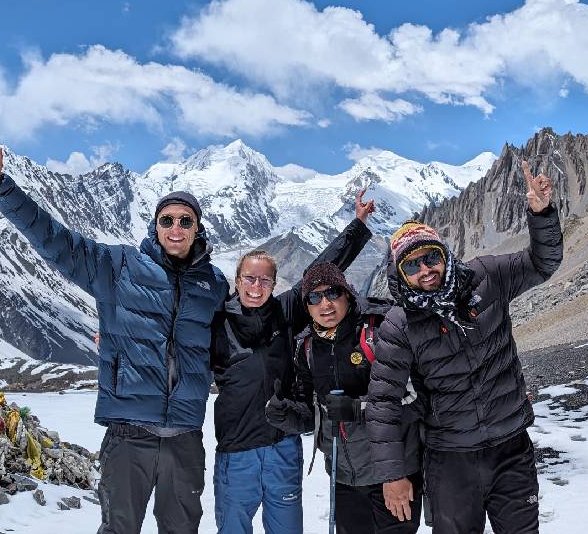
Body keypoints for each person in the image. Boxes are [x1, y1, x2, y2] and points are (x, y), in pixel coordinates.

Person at [0, 131, 228, 534]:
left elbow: (237, 338)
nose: (176, 228)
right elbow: (55, 241)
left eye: (185, 221)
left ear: (197, 228)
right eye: (167, 220)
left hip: (185, 437)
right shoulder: (117, 267)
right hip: (129, 434)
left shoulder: (214, 284)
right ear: (155, 226)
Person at [365, 161, 563, 534]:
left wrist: (541, 215)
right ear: (400, 274)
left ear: (444, 254)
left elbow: (543, 263)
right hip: (450, 459)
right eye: (412, 266)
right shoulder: (399, 325)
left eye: (431, 257)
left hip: (511, 449)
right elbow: (382, 404)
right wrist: (392, 475)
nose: (425, 270)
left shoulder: (487, 278)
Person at [210, 190, 376, 533]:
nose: (256, 287)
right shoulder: (217, 322)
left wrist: (358, 226)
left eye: (265, 280)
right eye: (250, 279)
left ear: (274, 284)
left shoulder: (285, 310)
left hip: (282, 446)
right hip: (236, 451)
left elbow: (324, 270)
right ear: (237, 280)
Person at [265, 262, 423, 533]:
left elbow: (415, 398)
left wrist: (357, 409)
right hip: (344, 478)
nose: (325, 304)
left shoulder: (379, 331)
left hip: (391, 475)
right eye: (314, 297)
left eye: (332, 293)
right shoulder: (307, 347)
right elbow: (313, 413)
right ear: (306, 306)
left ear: (347, 294)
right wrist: (286, 413)